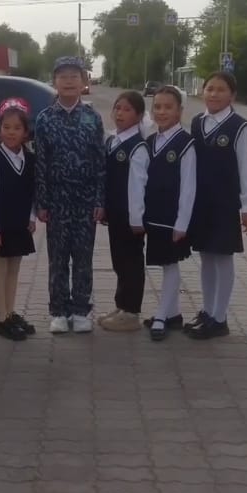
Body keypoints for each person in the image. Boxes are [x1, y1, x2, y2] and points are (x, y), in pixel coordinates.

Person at [185, 71, 247, 339]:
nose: (214, 94)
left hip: (225, 203)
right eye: (210, 89)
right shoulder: (197, 122)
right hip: (201, 202)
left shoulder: (239, 126)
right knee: (206, 256)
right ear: (202, 92)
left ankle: (220, 318)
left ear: (232, 95)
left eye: (221, 89)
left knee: (223, 256)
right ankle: (208, 311)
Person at [35, 55, 106, 333]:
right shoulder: (44, 119)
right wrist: (42, 202)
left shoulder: (92, 118)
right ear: (54, 81)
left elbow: (100, 162)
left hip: (86, 199)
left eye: (74, 76)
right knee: (58, 258)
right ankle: (58, 311)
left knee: (83, 258)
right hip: (57, 200)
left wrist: (100, 199)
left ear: (83, 82)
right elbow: (40, 163)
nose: (68, 81)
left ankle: (80, 310)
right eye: (63, 76)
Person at [143, 86, 196, 341]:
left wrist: (182, 222)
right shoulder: (150, 142)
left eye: (168, 107)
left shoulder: (186, 143)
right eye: (157, 107)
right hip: (154, 214)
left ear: (179, 111)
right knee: (164, 262)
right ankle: (173, 314)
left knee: (170, 263)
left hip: (172, 217)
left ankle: (162, 316)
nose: (162, 112)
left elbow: (189, 186)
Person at [0, 98, 37, 341]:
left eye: (17, 128)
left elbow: (33, 193)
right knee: (0, 268)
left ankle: (11, 313)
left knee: (14, 269)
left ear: (25, 132)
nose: (11, 132)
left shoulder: (30, 159)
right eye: (6, 127)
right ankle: (1, 318)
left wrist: (31, 217)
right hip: (0, 225)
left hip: (20, 223)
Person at [99, 90, 149, 332]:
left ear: (139, 116)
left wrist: (137, 218)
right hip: (116, 213)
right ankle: (121, 305)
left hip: (131, 217)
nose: (120, 113)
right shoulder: (112, 141)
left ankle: (131, 312)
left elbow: (138, 184)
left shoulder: (137, 147)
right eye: (117, 108)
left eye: (127, 109)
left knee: (131, 262)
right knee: (119, 260)